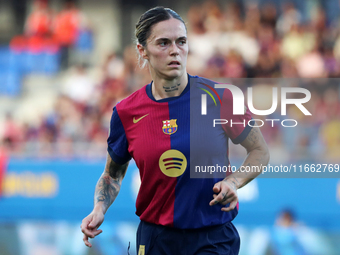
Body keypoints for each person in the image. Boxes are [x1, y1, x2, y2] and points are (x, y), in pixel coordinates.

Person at [81, 6, 270, 255]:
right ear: (142, 50)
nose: (175, 51)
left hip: (213, 238)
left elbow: (259, 151)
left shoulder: (220, 97)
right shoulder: (126, 112)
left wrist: (234, 182)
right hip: (156, 239)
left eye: (181, 42)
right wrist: (99, 208)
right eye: (163, 43)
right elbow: (112, 175)